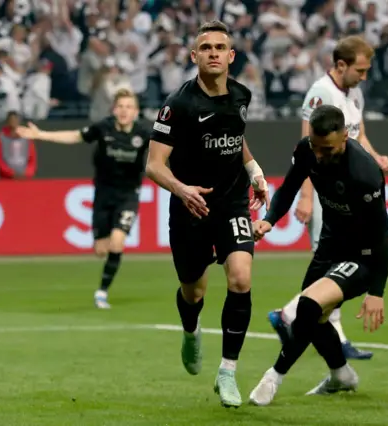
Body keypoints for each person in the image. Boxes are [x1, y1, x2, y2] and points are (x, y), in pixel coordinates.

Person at [145, 20, 269, 408]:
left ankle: (228, 371)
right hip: (190, 206)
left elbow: (235, 138)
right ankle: (190, 329)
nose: (213, 52)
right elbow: (154, 164)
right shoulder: (178, 105)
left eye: (220, 47)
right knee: (193, 290)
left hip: (232, 200)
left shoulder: (242, 95)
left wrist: (254, 170)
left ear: (231, 56)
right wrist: (181, 189)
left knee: (241, 278)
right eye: (206, 47)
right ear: (194, 56)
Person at [249, 105, 388, 406]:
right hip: (329, 247)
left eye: (326, 149)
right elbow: (288, 188)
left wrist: (377, 292)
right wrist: (269, 220)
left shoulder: (365, 173)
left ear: (344, 137)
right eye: (315, 146)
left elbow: (383, 236)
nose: (319, 155)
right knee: (313, 317)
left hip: (362, 256)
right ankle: (341, 375)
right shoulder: (308, 150)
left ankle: (273, 378)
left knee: (309, 305)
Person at [268, 35, 388, 360]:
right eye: (360, 70)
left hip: (349, 185)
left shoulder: (354, 93)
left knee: (335, 273)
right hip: (328, 192)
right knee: (331, 271)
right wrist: (306, 197)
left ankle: (301, 321)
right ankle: (301, 322)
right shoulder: (321, 93)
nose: (364, 77)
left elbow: (359, 135)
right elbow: (309, 146)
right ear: (341, 65)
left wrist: (375, 158)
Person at [15, 89, 151, 309]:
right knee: (101, 249)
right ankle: (103, 272)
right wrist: (41, 135)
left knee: (118, 241)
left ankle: (102, 292)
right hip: (103, 195)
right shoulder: (103, 128)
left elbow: (167, 149)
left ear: (136, 112)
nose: (124, 111)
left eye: (129, 107)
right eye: (121, 106)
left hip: (128, 195)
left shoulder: (143, 134)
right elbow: (75, 136)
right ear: (114, 109)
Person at [0, 111, 37, 179]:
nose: (13, 122)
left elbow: (32, 159)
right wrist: (11, 173)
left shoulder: (27, 137)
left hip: (24, 178)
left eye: (15, 119)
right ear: (7, 122)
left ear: (19, 121)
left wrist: (27, 173)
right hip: (6, 179)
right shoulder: (0, 138)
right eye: (11, 120)